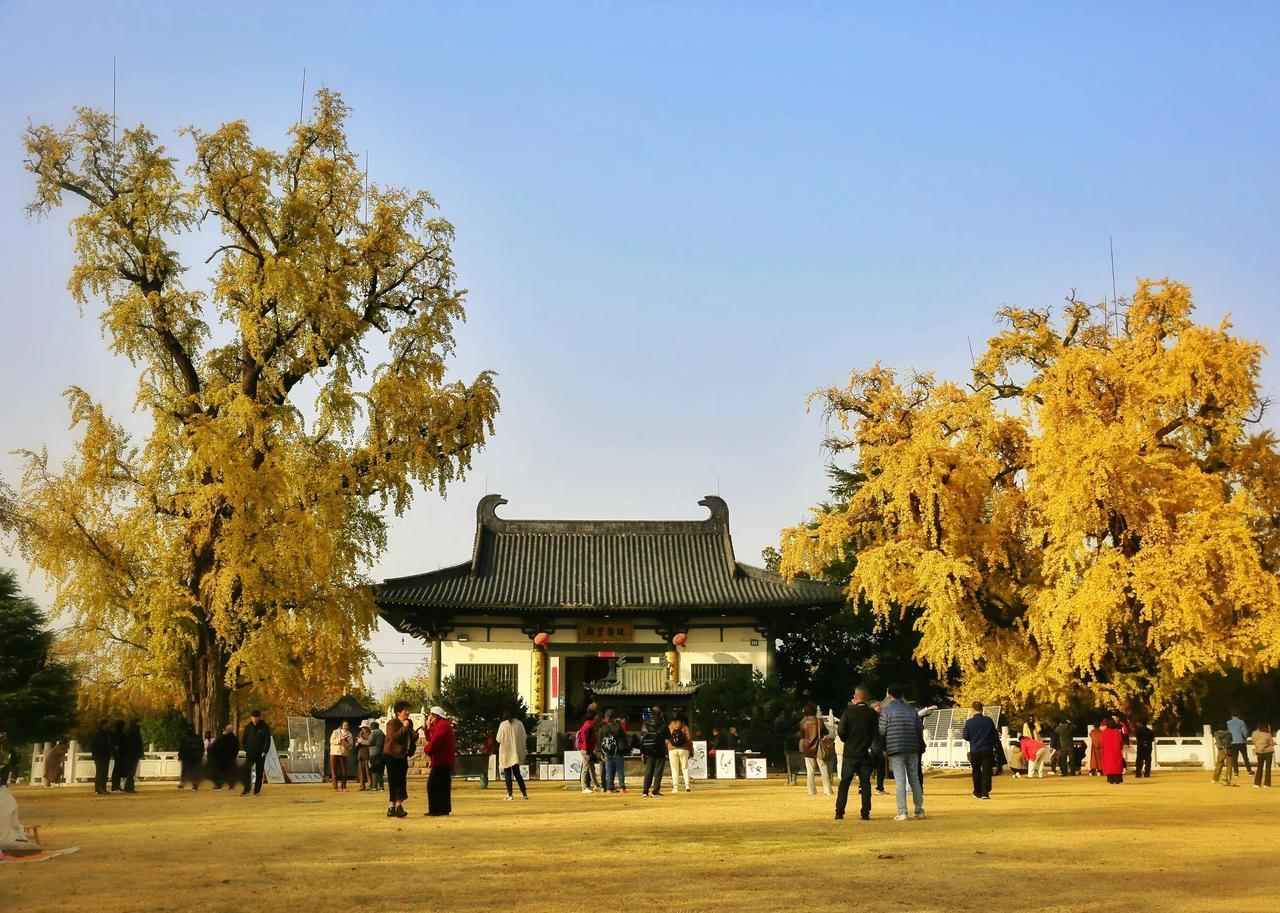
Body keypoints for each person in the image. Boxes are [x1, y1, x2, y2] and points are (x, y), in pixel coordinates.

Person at [879, 685, 925, 821]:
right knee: (914, 779)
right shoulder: (911, 710)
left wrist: (884, 748)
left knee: (900, 781)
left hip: (895, 748)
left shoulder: (886, 711)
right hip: (912, 747)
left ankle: (902, 811)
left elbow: (882, 731)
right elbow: (919, 728)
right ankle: (918, 809)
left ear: (889, 695)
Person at [834, 685, 878, 821]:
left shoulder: (848, 712)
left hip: (850, 753)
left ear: (855, 696)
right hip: (866, 754)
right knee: (865, 784)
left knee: (844, 783)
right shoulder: (872, 714)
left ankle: (839, 811)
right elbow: (877, 732)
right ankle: (865, 812)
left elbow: (841, 731)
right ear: (868, 697)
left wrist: (847, 739)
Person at [424, 705, 456, 817]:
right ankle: (444, 809)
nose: (430, 719)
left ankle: (435, 809)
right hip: (446, 760)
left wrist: (426, 749)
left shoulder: (442, 726)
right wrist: (428, 726)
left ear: (436, 716)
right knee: (443, 785)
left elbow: (434, 741)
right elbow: (430, 737)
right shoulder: (443, 725)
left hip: (441, 760)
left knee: (432, 785)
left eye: (431, 717)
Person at [961, 702, 998, 800]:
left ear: (973, 710)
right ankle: (985, 792)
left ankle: (977, 791)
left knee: (976, 771)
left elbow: (965, 736)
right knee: (986, 771)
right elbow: (994, 734)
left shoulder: (969, 722)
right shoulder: (988, 720)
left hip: (975, 749)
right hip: (987, 749)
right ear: (982, 709)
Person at [384, 702, 412, 817]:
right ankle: (392, 806)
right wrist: (404, 727)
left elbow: (410, 737)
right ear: (398, 712)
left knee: (401, 781)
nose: (408, 712)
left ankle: (398, 806)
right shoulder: (391, 723)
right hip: (391, 755)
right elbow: (392, 738)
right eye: (406, 710)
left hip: (402, 756)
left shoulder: (408, 723)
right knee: (393, 780)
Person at [799, 703, 832, 797]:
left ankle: (811, 790)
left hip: (807, 748)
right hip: (819, 747)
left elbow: (802, 735)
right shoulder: (819, 721)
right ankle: (828, 790)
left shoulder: (803, 722)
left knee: (810, 771)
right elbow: (826, 732)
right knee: (823, 768)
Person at [496, 708, 528, 801]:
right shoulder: (519, 723)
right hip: (516, 753)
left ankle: (510, 794)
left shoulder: (503, 725)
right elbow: (524, 736)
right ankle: (524, 793)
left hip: (506, 752)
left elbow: (498, 739)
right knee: (517, 773)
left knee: (507, 774)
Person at [240, 709, 272, 797]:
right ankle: (246, 790)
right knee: (246, 771)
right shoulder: (248, 727)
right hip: (250, 753)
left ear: (259, 717)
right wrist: (246, 749)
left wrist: (265, 751)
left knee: (259, 772)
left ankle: (257, 790)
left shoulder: (265, 727)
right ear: (251, 717)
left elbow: (267, 740)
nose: (254, 719)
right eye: (253, 717)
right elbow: (244, 739)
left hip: (260, 754)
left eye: (256, 717)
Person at [596, 709, 628, 794]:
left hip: (607, 751)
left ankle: (609, 788)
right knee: (620, 770)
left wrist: (601, 753)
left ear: (606, 717)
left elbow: (599, 741)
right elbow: (624, 737)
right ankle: (622, 788)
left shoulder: (602, 727)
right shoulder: (618, 726)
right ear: (614, 717)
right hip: (618, 751)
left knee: (608, 771)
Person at [639, 706, 668, 797]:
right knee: (658, 771)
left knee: (648, 770)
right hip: (660, 749)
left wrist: (642, 751)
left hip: (648, 749)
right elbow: (667, 736)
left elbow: (642, 738)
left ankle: (645, 791)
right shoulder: (662, 723)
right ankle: (655, 791)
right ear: (660, 713)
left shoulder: (646, 723)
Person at [666, 713, 693, 793]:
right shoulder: (685, 727)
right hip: (684, 749)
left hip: (672, 749)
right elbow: (689, 739)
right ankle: (687, 785)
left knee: (674, 769)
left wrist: (667, 747)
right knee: (685, 767)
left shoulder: (669, 727)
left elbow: (666, 739)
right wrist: (690, 750)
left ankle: (675, 787)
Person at [576, 712, 599, 794]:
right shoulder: (588, 727)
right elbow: (587, 741)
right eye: (596, 716)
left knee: (591, 768)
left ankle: (597, 785)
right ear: (593, 717)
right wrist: (588, 753)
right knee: (585, 769)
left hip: (587, 749)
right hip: (586, 750)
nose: (597, 717)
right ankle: (584, 787)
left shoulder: (586, 725)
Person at [210, 724, 239, 790]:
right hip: (230, 758)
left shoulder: (222, 738)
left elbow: (218, 747)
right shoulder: (235, 739)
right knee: (230, 772)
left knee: (220, 772)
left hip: (222, 758)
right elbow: (236, 749)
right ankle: (231, 785)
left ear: (227, 730)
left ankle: (218, 785)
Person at [177, 726, 205, 790]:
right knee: (195, 771)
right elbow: (202, 748)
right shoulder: (198, 738)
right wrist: (200, 756)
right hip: (196, 758)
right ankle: (195, 784)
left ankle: (182, 784)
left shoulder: (184, 738)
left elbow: (181, 748)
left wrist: (180, 756)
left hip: (186, 758)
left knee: (184, 771)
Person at [1099, 718, 1125, 784]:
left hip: (1107, 751)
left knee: (1109, 765)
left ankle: (1110, 779)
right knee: (1117, 765)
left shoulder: (1103, 733)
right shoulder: (1117, 732)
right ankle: (1117, 780)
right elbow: (1121, 741)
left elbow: (1101, 743)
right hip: (1116, 751)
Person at [1226, 711, 1252, 776]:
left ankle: (1236, 773)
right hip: (1241, 742)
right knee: (1245, 757)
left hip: (1233, 742)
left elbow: (1228, 732)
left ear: (1232, 716)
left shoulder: (1228, 723)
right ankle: (1249, 771)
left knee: (1234, 758)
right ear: (1239, 716)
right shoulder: (1241, 722)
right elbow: (1245, 732)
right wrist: (1245, 738)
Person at [330, 721, 353, 791]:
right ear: (342, 726)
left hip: (344, 753)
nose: (346, 727)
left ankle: (344, 787)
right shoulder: (335, 732)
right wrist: (339, 741)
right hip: (335, 753)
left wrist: (347, 744)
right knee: (334, 771)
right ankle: (335, 787)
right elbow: (331, 741)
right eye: (345, 725)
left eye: (347, 725)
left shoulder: (349, 734)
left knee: (344, 771)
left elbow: (351, 745)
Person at [1252, 722, 1274, 788]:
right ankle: (1266, 784)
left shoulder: (1254, 733)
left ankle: (1257, 783)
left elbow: (1253, 741)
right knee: (1268, 769)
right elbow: (1272, 743)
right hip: (1268, 752)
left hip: (1259, 752)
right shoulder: (1268, 734)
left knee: (1259, 768)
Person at [368, 721, 386, 791]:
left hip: (374, 754)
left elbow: (370, 742)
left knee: (374, 770)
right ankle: (381, 786)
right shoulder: (382, 733)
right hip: (382, 754)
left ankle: (374, 786)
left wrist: (362, 741)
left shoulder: (373, 733)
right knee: (380, 771)